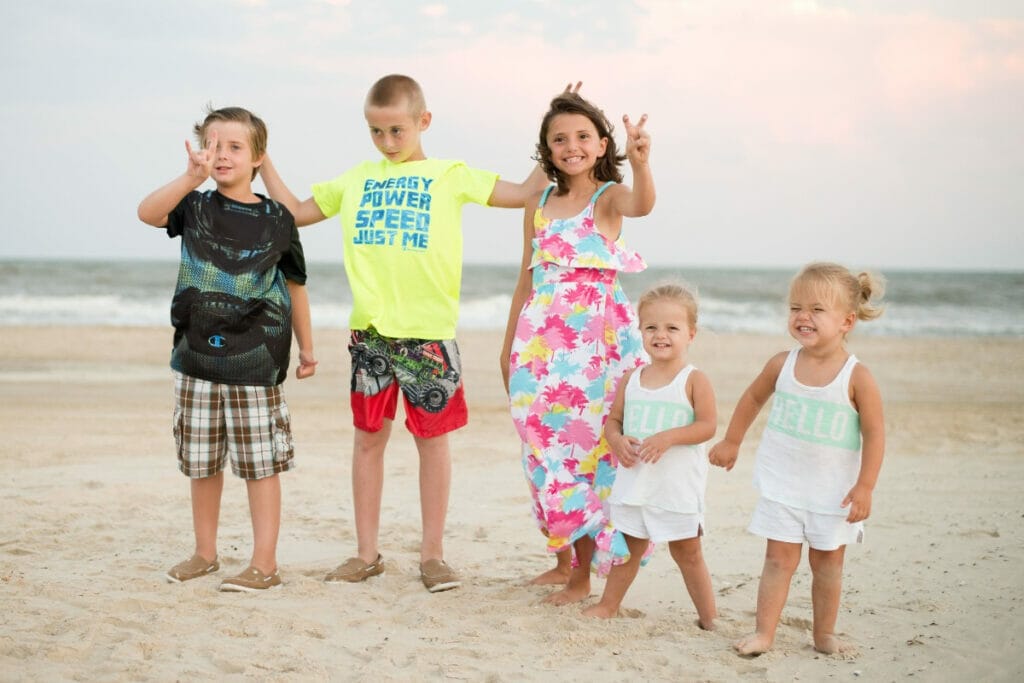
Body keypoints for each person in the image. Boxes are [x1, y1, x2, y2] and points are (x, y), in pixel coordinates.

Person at [259, 74, 547, 592]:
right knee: (368, 441)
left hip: (429, 336)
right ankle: (366, 554)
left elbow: (526, 192)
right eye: (376, 132)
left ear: (423, 122)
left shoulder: (450, 174)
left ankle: (432, 556)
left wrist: (552, 128)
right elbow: (296, 213)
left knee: (432, 443)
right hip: (371, 336)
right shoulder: (356, 179)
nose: (387, 143)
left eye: (397, 130)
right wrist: (264, 162)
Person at [137, 105, 317, 592]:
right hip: (195, 358)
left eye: (235, 146)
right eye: (213, 145)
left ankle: (265, 562)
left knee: (260, 465)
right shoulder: (194, 206)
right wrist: (188, 177)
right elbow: (147, 213)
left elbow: (295, 286)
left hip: (257, 362)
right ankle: (205, 552)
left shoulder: (279, 219)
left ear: (258, 157)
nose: (222, 155)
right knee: (202, 461)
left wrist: (308, 349)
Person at [499, 91, 655, 604]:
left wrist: (641, 161)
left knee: (590, 453)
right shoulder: (538, 203)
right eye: (559, 138)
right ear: (546, 148)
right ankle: (565, 559)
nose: (572, 146)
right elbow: (526, 277)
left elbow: (643, 204)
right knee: (545, 449)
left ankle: (584, 576)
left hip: (597, 347)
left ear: (601, 143)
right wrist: (509, 346)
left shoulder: (608, 196)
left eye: (583, 136)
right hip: (540, 343)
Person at [708, 262, 886, 655]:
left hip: (833, 493)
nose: (803, 316)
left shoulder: (856, 376)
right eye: (795, 308)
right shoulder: (781, 364)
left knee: (827, 566)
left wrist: (866, 485)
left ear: (847, 321)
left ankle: (824, 635)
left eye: (817, 309)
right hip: (783, 485)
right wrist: (732, 440)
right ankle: (764, 634)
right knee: (777, 561)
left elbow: (875, 433)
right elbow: (753, 398)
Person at [582, 284, 718, 627]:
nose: (661, 335)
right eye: (651, 327)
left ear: (691, 333)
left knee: (687, 551)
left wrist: (670, 437)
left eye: (672, 328)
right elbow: (613, 421)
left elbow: (707, 426)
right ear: (640, 331)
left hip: (675, 486)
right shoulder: (632, 379)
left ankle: (709, 617)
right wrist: (616, 441)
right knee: (629, 547)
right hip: (636, 481)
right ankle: (609, 605)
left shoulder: (693, 379)